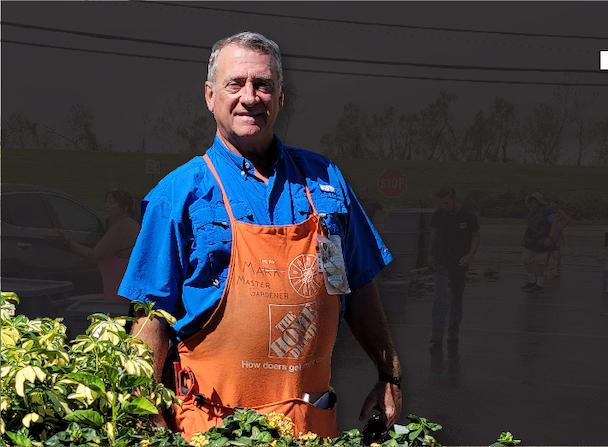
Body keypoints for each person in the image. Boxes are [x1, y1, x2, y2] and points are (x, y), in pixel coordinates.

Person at [118, 32, 401, 440]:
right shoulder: (177, 195)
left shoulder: (324, 183)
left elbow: (353, 286)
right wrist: (147, 418)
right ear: (210, 95)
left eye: (263, 85)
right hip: (213, 429)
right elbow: (150, 320)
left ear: (281, 98)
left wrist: (389, 374)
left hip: (309, 425)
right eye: (236, 84)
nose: (250, 97)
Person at [54, 189, 140, 303]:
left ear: (125, 208)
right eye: (107, 202)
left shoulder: (121, 227)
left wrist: (67, 242)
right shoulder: (130, 224)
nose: (107, 206)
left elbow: (95, 254)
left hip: (119, 288)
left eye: (111, 203)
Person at [428, 187, 480, 354]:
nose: (444, 205)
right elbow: (433, 235)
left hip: (459, 264)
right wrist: (430, 255)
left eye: (447, 202)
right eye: (441, 202)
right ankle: (436, 335)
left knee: (456, 298)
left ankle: (453, 331)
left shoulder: (469, 216)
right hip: (441, 262)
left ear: (453, 198)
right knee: (439, 298)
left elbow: (476, 237)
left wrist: (470, 255)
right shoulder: (439, 214)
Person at [521, 192, 555, 291]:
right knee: (525, 259)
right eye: (531, 200)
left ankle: (539, 285)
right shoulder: (531, 211)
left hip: (542, 240)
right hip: (530, 240)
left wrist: (550, 238)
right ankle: (532, 281)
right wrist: (524, 238)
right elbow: (529, 226)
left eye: (534, 200)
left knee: (540, 262)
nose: (532, 202)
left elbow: (554, 224)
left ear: (539, 201)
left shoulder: (547, 211)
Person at [546, 200, 572, 279]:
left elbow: (568, 220)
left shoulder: (559, 214)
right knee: (547, 254)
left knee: (556, 255)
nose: (552, 206)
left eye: (554, 205)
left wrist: (560, 212)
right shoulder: (546, 214)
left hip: (556, 237)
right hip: (547, 237)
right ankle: (545, 269)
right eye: (551, 205)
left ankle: (556, 271)